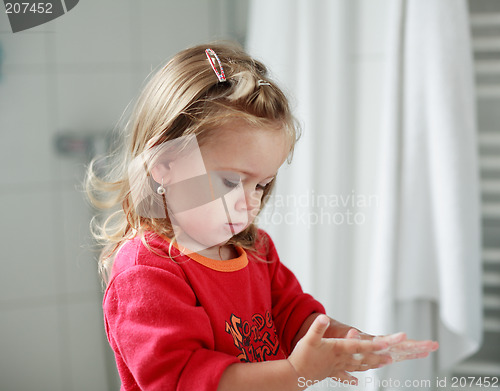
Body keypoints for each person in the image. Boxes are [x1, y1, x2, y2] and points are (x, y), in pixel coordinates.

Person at [86, 42, 438, 391]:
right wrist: (297, 373)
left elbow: (292, 316)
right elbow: (183, 380)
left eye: (261, 185)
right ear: (164, 164)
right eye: (230, 181)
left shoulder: (256, 249)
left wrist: (346, 343)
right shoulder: (147, 271)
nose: (249, 203)